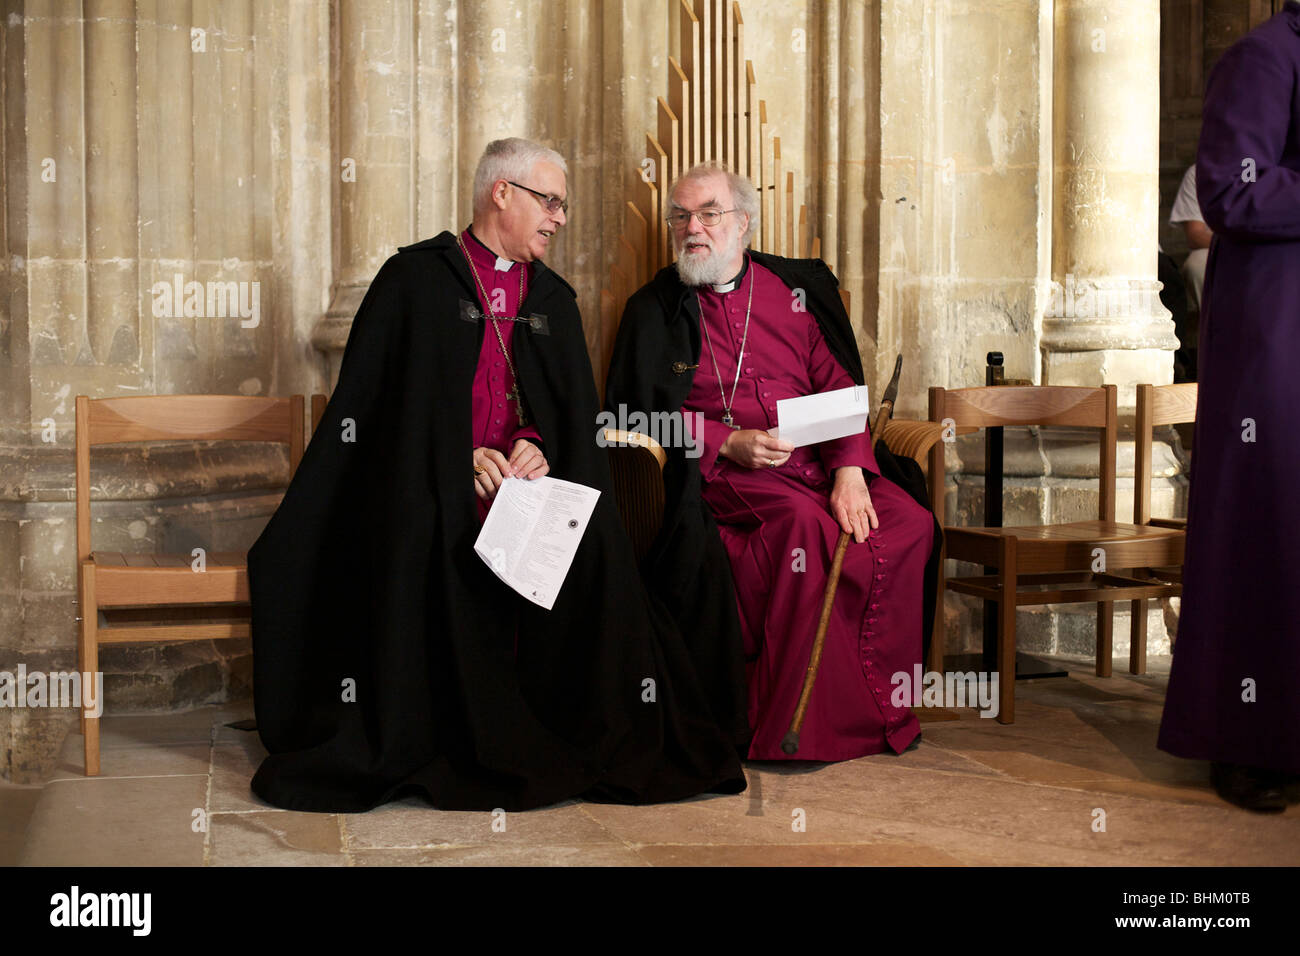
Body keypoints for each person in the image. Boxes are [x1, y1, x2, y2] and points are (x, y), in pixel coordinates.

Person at [248, 138, 746, 812]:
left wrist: (537, 445)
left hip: (529, 488)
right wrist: (453, 458)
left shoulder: (553, 299)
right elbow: (369, 417)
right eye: (550, 201)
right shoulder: (415, 282)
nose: (560, 218)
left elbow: (570, 420)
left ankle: (566, 725)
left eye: (563, 206)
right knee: (426, 528)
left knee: (594, 538)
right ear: (500, 194)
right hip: (431, 484)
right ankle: (439, 729)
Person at [607, 162, 937, 762]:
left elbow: (836, 385)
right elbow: (631, 418)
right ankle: (801, 727)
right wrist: (723, 441)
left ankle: (884, 712)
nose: (693, 229)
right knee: (805, 527)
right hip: (725, 475)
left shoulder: (794, 293)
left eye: (709, 213)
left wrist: (849, 471)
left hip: (817, 462)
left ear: (745, 225)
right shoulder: (653, 309)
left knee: (911, 522)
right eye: (680, 216)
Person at [1157, 3, 1300, 812]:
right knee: (1269, 526)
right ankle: (1251, 744)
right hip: (1277, 335)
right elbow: (1230, 188)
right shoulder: (1263, 55)